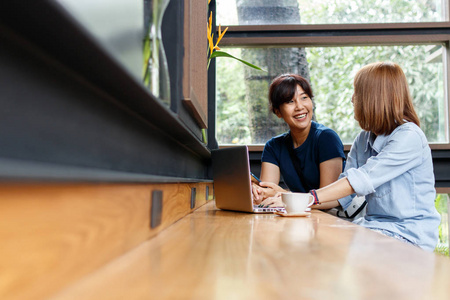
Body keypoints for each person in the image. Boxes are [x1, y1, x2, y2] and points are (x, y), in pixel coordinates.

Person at [261, 62, 440, 251]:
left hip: (408, 235)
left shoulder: (409, 136)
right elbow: (343, 196)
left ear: (373, 98)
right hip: (374, 227)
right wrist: (292, 201)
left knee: (324, 247)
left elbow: (359, 180)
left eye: (357, 92)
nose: (353, 99)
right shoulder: (363, 139)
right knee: (310, 239)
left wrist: (299, 200)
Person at [252, 73, 346, 211]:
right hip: (299, 215)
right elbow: (267, 194)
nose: (299, 106)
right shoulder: (273, 146)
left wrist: (285, 196)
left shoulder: (326, 138)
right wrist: (257, 192)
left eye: (304, 98)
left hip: (330, 217)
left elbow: (330, 200)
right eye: (290, 101)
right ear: (278, 112)